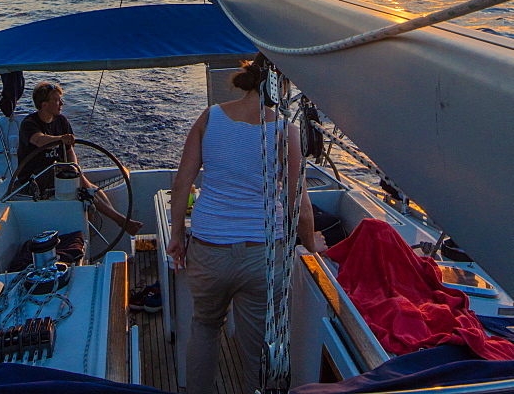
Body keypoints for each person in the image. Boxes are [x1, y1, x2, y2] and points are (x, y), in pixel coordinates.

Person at [166, 53, 327, 394]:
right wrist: (313, 248)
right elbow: (298, 202)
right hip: (261, 256)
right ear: (279, 86)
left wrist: (177, 236)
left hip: (209, 251)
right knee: (257, 346)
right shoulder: (287, 131)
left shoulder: (210, 118)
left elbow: (182, 184)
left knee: (205, 328)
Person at [17, 81, 142, 235]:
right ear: (44, 105)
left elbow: (70, 151)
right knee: (82, 183)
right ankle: (120, 220)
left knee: (83, 181)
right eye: (57, 100)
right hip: (35, 178)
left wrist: (73, 166)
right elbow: (39, 141)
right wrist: (61, 139)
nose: (61, 103)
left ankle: (120, 220)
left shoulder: (61, 121)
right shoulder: (29, 124)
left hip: (58, 174)